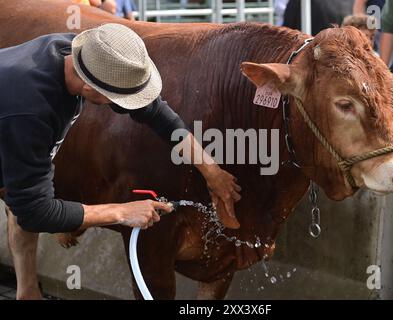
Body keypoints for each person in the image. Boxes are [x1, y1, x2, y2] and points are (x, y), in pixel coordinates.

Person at [0, 23, 241, 299]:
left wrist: (211, 171)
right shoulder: (30, 113)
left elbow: (155, 113)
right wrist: (122, 212)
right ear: (92, 87)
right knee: (26, 200)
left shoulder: (79, 52)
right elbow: (35, 212)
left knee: (24, 189)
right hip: (12, 116)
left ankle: (27, 292)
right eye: (122, 98)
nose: (131, 105)